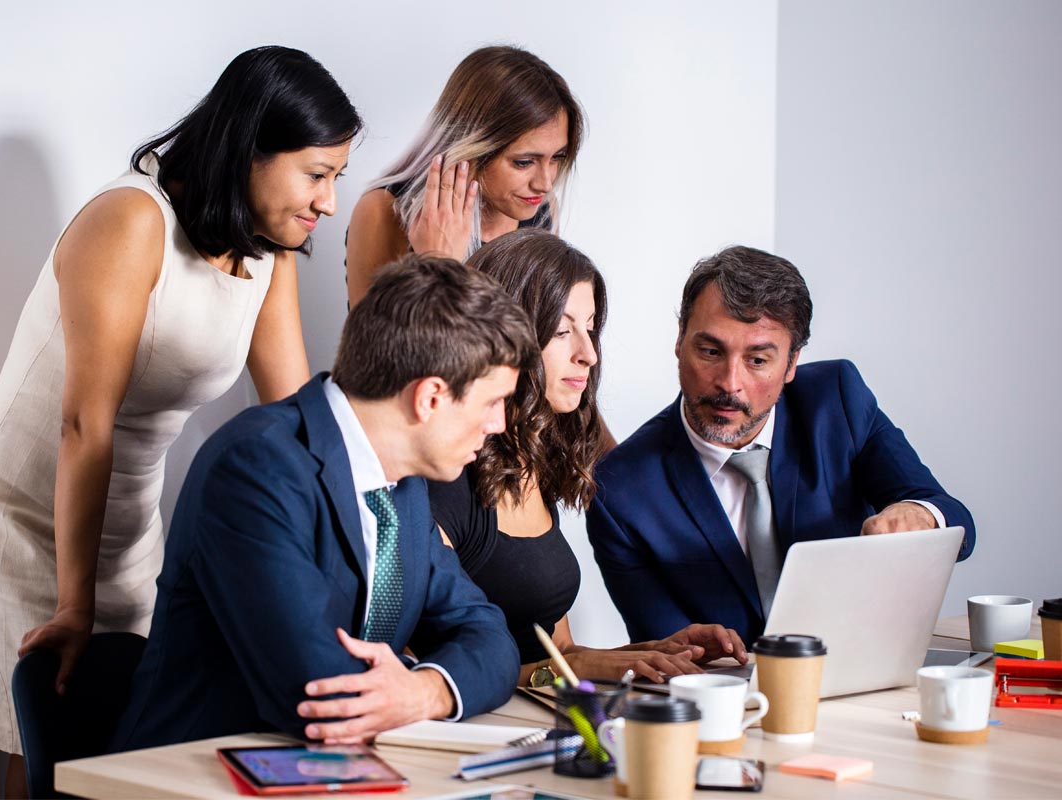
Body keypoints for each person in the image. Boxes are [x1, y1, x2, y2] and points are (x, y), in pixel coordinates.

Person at [0, 46, 360, 786]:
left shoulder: (267, 248)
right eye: (317, 174)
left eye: (337, 178)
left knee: (128, 753)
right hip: (25, 514)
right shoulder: (131, 220)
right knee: (42, 750)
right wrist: (74, 604)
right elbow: (85, 425)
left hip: (128, 527)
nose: (329, 202)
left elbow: (295, 423)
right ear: (250, 150)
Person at [109, 256, 533, 751]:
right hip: (188, 768)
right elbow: (314, 691)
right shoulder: (256, 467)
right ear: (430, 398)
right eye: (493, 402)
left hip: (330, 765)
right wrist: (413, 686)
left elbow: (492, 639)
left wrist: (426, 690)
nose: (499, 424)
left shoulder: (404, 488)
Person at [587, 246, 976, 648]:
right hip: (731, 684)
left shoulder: (837, 401)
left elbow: (952, 516)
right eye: (711, 352)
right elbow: (667, 654)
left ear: (791, 364)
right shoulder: (621, 492)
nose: (730, 383)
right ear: (679, 340)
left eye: (757, 360)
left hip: (863, 664)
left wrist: (919, 514)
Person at [428, 230, 747, 688]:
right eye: (563, 331)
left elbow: (558, 654)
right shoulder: (443, 481)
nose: (589, 354)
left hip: (536, 712)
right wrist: (572, 669)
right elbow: (421, 672)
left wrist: (658, 652)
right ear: (501, 337)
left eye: (590, 329)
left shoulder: (532, 464)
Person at [345, 45, 584, 306]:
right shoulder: (384, 211)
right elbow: (373, 334)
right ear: (471, 148)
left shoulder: (542, 210)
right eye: (523, 162)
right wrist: (439, 263)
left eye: (557, 158)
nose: (545, 183)